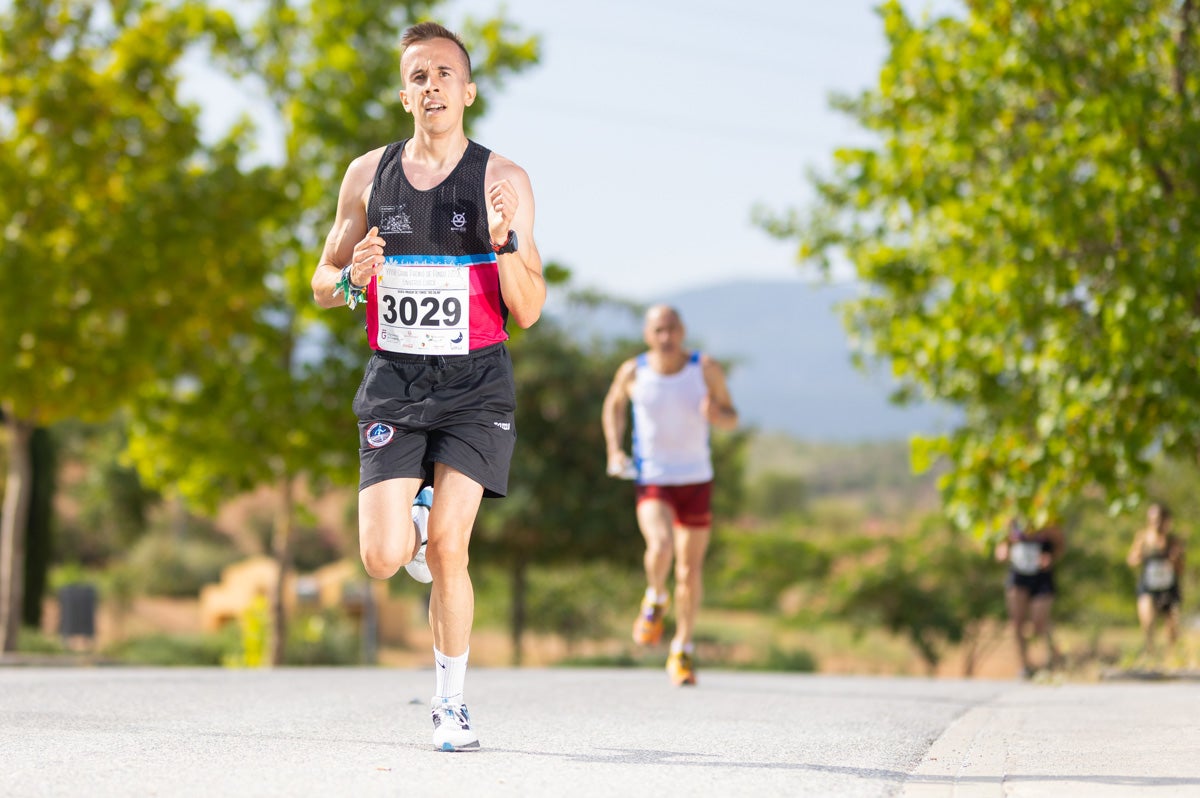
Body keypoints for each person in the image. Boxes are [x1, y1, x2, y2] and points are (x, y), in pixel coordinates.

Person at [311, 21, 544, 752]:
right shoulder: (366, 175)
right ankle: (410, 515)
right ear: (404, 92)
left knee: (450, 549)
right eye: (418, 75)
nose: (432, 85)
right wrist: (353, 281)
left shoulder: (502, 180)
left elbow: (530, 309)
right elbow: (321, 283)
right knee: (382, 560)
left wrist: (504, 244)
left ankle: (451, 704)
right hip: (395, 379)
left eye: (445, 73)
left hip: (476, 385)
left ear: (468, 91)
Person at [601, 305, 738, 686]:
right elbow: (613, 405)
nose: (666, 337)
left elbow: (732, 416)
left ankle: (682, 649)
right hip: (654, 478)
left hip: (696, 479)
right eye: (659, 329)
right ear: (648, 334)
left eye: (672, 329)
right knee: (660, 548)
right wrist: (614, 449)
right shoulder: (634, 371)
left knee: (689, 572)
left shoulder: (705, 368)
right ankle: (655, 597)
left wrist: (717, 416)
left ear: (683, 331)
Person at [994, 517, 1065, 679]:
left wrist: (1051, 558)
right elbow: (1001, 545)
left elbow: (1060, 545)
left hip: (1042, 577)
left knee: (1039, 623)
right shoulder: (1011, 519)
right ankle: (1024, 665)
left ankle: (1054, 657)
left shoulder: (1047, 518)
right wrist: (1002, 552)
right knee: (1017, 622)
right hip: (1018, 576)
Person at [1126, 502, 1185, 660]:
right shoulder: (1143, 537)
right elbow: (1131, 559)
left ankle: (1172, 657)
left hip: (1168, 587)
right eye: (1151, 519)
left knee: (1172, 627)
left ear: (1166, 520)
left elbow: (1181, 569)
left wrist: (1174, 559)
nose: (1155, 523)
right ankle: (1149, 654)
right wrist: (1139, 556)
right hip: (1148, 586)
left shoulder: (1173, 540)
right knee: (1147, 621)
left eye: (1158, 519)